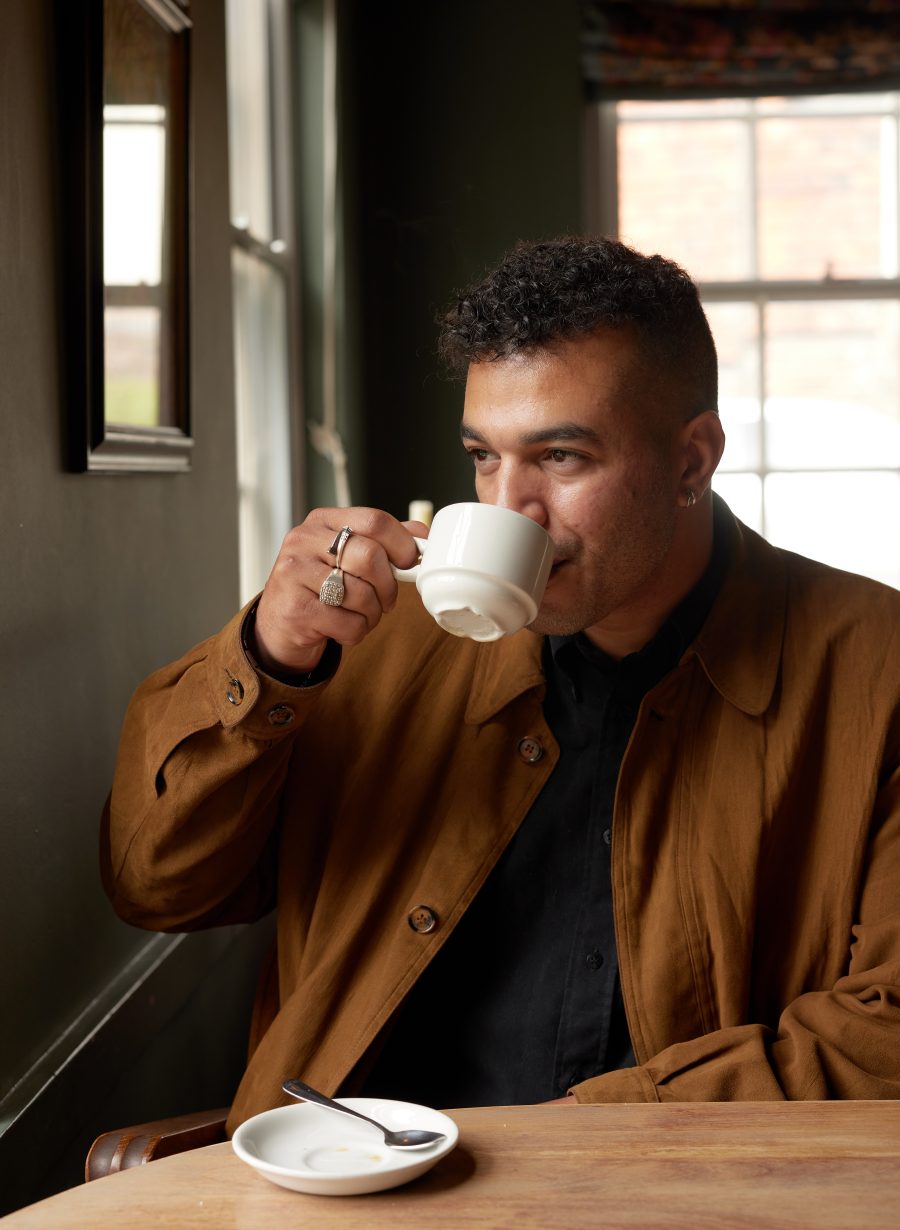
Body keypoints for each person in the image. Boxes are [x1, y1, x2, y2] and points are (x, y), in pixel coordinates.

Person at [101, 236, 900, 1132]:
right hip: (357, 1183)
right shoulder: (367, 639)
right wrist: (268, 661)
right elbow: (158, 887)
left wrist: (589, 1134)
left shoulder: (874, 664)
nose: (505, 508)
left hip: (682, 1196)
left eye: (560, 458)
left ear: (691, 460)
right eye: (484, 456)